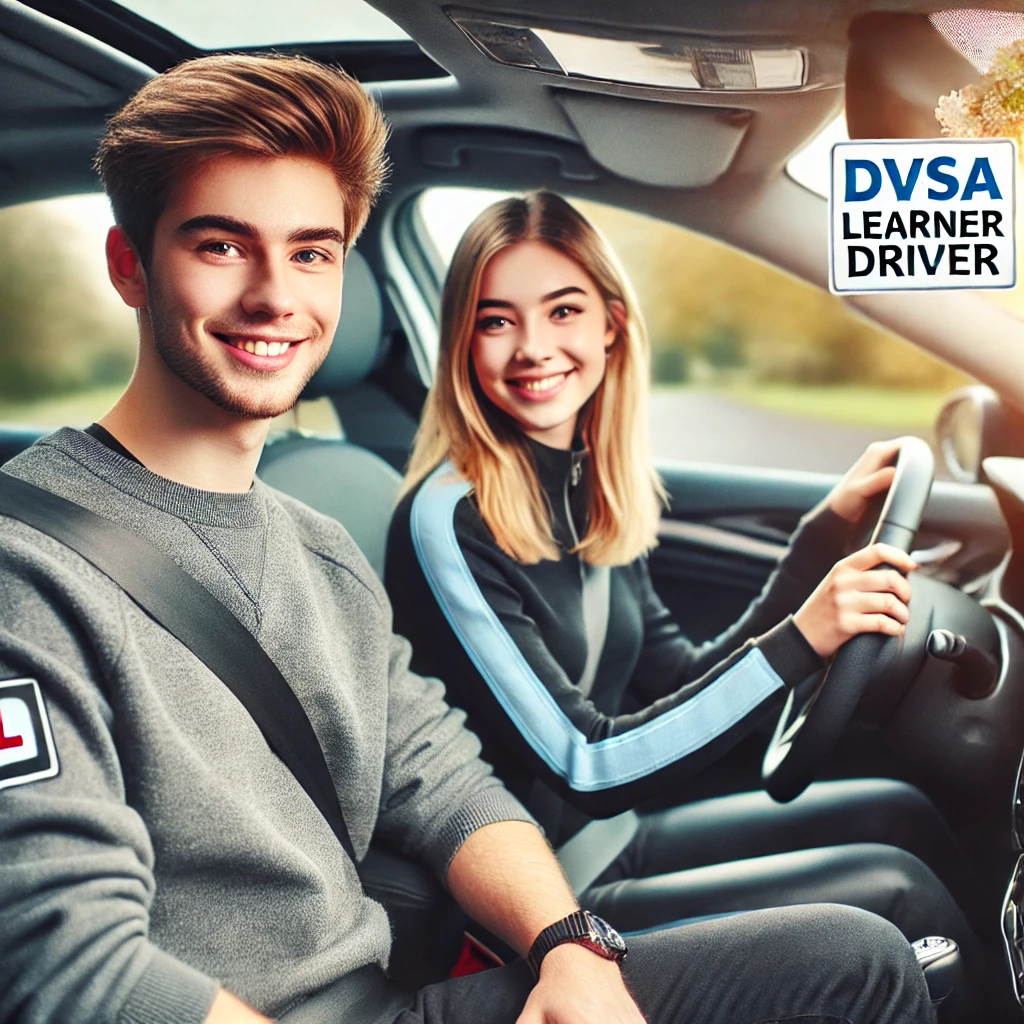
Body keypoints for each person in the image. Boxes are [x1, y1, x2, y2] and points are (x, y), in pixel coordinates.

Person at [0, 55, 937, 1024]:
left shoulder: (319, 545)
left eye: (313, 251)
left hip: (386, 983)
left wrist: (570, 945)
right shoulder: (25, 568)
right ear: (129, 266)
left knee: (853, 950)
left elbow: (442, 780)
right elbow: (69, 966)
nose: (277, 294)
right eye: (222, 246)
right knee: (863, 950)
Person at [385, 191, 977, 952]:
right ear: (463, 343)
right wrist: (806, 637)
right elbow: (587, 762)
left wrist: (824, 534)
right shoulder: (448, 518)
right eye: (496, 320)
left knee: (902, 816)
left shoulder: (583, 482)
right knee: (900, 896)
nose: (531, 346)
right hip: (540, 898)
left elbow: (676, 676)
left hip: (613, 837)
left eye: (563, 311)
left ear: (611, 323)